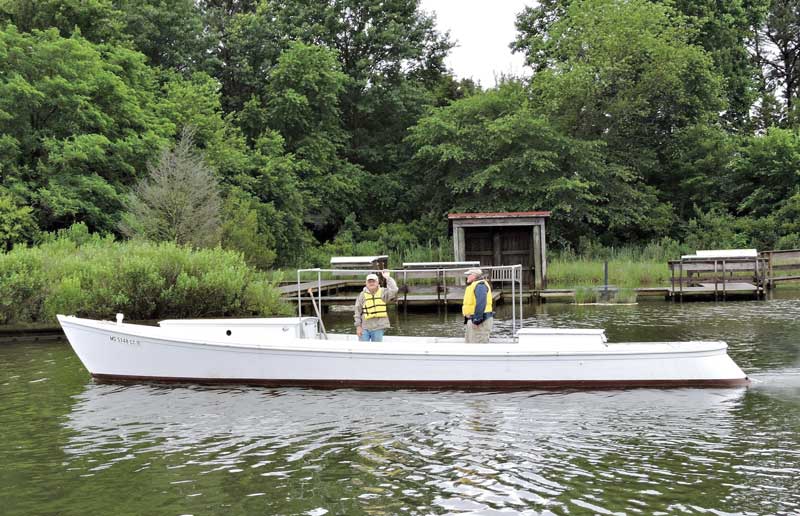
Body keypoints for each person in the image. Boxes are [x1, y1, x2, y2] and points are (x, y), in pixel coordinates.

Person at [354, 270, 398, 342]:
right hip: (364, 327)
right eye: (369, 281)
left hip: (378, 327)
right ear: (366, 283)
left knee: (377, 349)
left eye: (373, 281)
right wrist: (358, 326)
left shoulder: (383, 292)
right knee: (363, 349)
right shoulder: (362, 295)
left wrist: (388, 278)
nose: (371, 283)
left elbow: (394, 289)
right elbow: (357, 312)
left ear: (377, 282)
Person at [462, 268, 493, 343]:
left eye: (468, 275)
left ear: (473, 276)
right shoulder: (474, 285)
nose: (467, 277)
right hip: (473, 321)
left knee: (478, 346)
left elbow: (481, 303)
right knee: (469, 344)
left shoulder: (480, 285)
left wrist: (476, 320)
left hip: (480, 321)